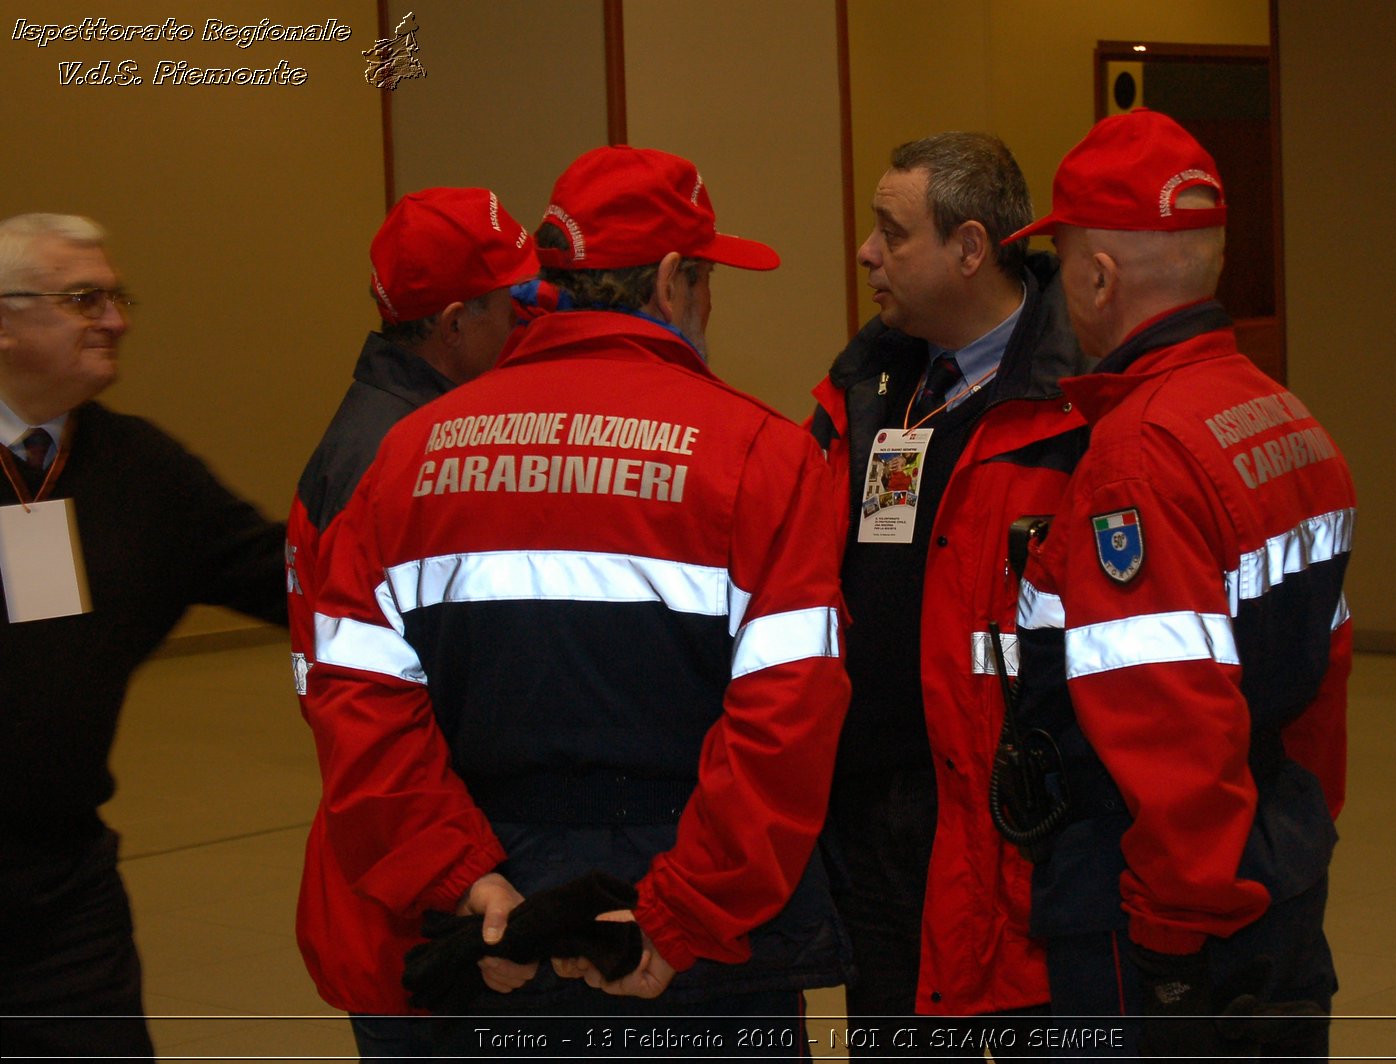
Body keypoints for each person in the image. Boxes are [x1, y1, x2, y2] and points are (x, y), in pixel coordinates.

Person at [306, 145, 850, 1053]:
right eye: (708, 277)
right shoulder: (761, 457)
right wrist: (681, 917)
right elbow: (787, 720)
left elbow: (354, 699)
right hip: (684, 927)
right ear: (674, 281)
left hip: (495, 923)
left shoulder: (409, 457)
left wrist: (467, 884)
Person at [1006, 108, 1356, 1060]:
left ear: (1099, 274)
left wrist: (1169, 934)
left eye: (1064, 259)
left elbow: (1164, 712)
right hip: (1277, 856)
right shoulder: (1285, 419)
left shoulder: (1139, 457)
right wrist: (1297, 827)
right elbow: (1326, 670)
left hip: (1163, 908)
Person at [806, 132, 1086, 1046]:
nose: (866, 252)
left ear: (971, 249)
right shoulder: (870, 383)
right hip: (878, 819)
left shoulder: (1072, 396)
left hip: (1018, 816)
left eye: (891, 231)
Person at [0, 213, 287, 1058]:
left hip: (62, 895)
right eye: (83, 300)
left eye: (116, 297)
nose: (117, 320)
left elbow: (293, 578)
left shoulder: (142, 472)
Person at [286, 187, 544, 1060]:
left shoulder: (380, 425)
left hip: (399, 857)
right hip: (417, 885)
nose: (523, 320)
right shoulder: (403, 460)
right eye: (507, 303)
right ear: (453, 322)